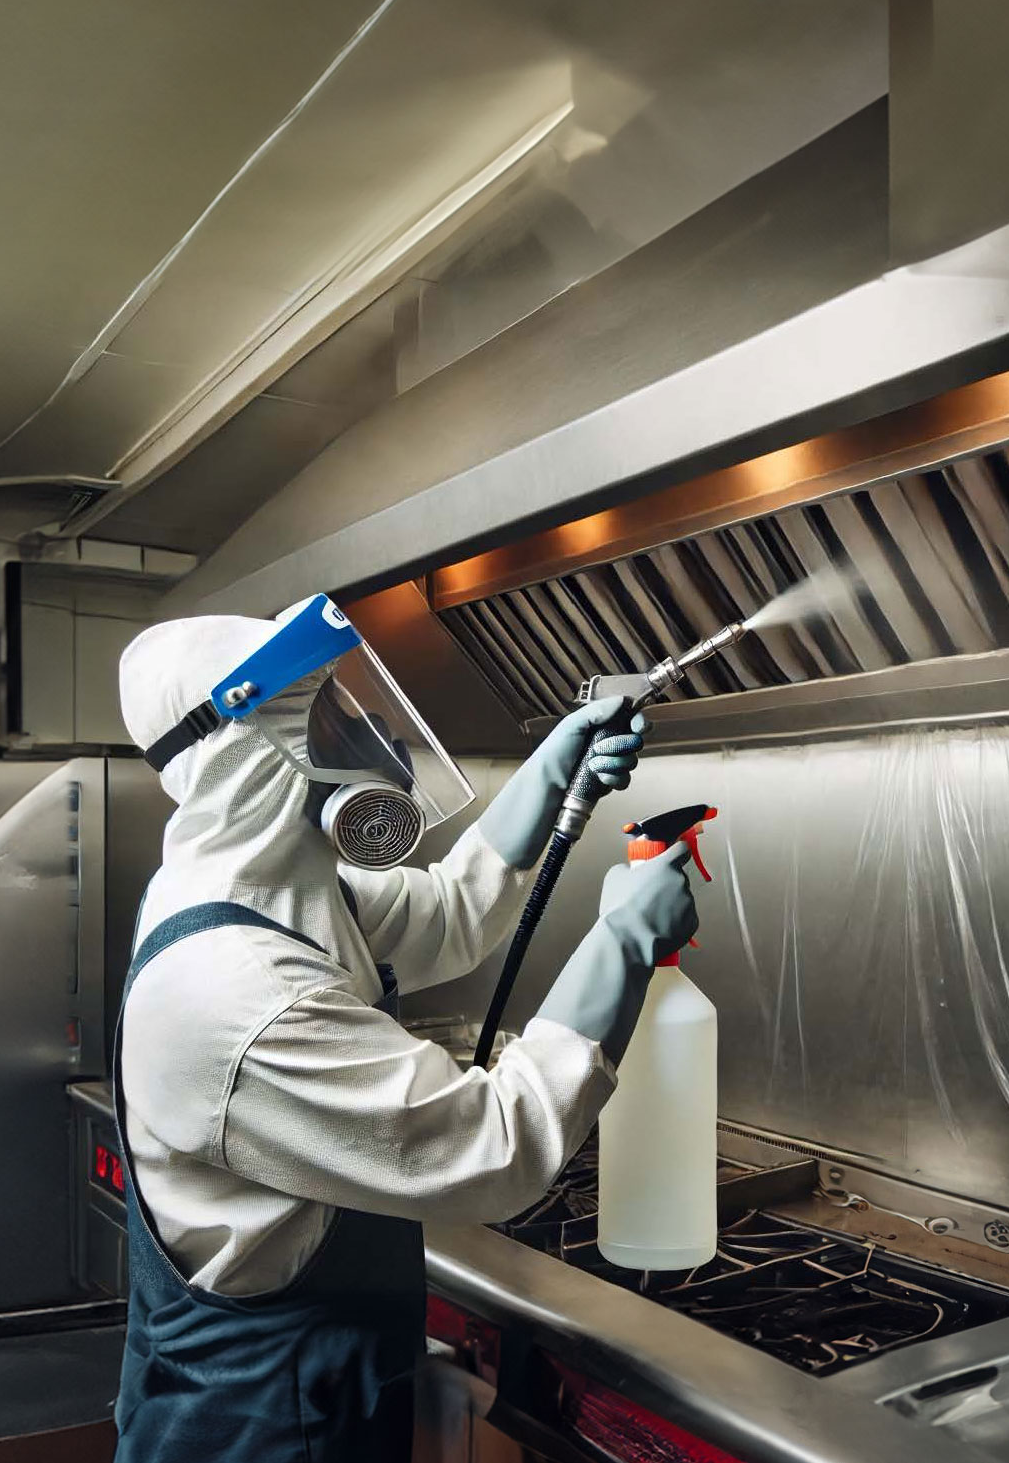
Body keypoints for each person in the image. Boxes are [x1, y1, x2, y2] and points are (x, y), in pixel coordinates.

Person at [111, 596, 700, 1462]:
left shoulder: (262, 891)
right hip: (260, 1422)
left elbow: (449, 913)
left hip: (318, 1384)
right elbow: (498, 1146)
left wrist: (547, 772)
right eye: (324, 714)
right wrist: (625, 940)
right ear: (247, 750)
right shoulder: (232, 995)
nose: (364, 732)